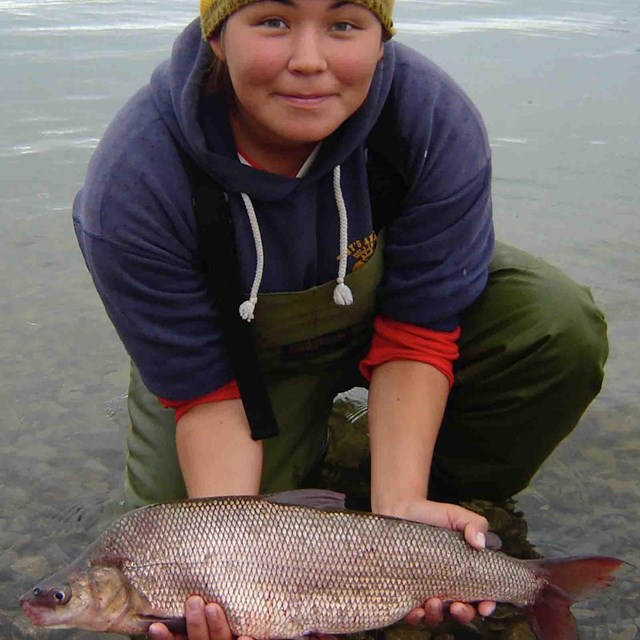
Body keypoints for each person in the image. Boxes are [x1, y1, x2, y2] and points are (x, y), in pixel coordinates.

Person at [71, 0, 608, 637]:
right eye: (272, 20)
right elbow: (205, 390)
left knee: (555, 323)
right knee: (168, 543)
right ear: (217, 37)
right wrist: (236, 571)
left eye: (345, 24)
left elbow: (420, 330)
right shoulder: (133, 185)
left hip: (387, 321)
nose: (309, 60)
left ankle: (423, 497)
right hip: (237, 375)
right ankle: (322, 485)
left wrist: (401, 509)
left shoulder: (431, 118)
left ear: (383, 39)